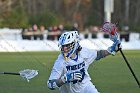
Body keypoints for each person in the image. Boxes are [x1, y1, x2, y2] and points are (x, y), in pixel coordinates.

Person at [47, 31, 121, 93]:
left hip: (86, 87)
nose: (64, 49)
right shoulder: (60, 61)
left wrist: (112, 49)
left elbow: (98, 54)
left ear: (75, 44)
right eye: (63, 46)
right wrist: (65, 79)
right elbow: (50, 84)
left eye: (67, 46)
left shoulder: (83, 52)